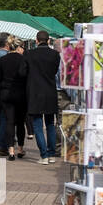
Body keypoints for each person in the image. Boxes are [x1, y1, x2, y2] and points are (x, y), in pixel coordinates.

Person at [25, 30, 61, 164]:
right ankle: (51, 154)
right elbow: (55, 71)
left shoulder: (29, 54)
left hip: (35, 92)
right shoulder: (55, 55)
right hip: (50, 91)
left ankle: (44, 155)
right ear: (49, 40)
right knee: (50, 123)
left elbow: (23, 71)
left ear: (36, 40)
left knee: (38, 124)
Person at [0, 35, 28, 161]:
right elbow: (26, 76)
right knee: (20, 123)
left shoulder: (3, 60)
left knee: (9, 121)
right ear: (18, 47)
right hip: (20, 94)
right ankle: (20, 148)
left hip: (6, 94)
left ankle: (11, 150)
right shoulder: (23, 59)